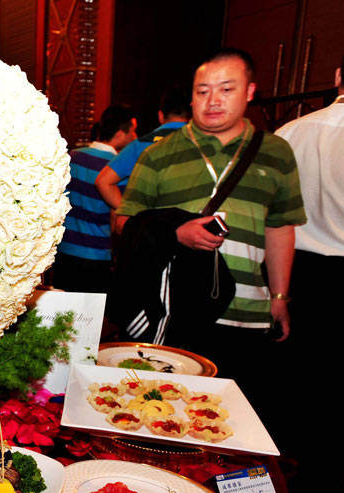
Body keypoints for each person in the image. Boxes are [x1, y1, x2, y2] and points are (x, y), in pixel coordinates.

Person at [116, 49, 305, 420]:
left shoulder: (276, 152)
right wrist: (175, 232)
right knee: (164, 415)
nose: (213, 100)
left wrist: (280, 295)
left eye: (226, 89)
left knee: (232, 421)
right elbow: (126, 222)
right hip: (174, 311)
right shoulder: (158, 154)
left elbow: (281, 225)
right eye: (202, 91)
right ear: (191, 97)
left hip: (247, 310)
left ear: (250, 91)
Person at [274, 55, 344, 488]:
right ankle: (326, 469)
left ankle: (285, 457)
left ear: (337, 76)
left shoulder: (290, 132)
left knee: (295, 367)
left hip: (295, 266)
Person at [51, 104, 138, 293]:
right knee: (91, 311)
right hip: (97, 256)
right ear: (120, 134)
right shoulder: (118, 170)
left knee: (61, 309)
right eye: (133, 131)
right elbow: (116, 217)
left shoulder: (72, 156)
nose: (135, 137)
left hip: (63, 251)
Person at [95, 86, 191, 230]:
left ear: (160, 115)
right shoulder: (201, 144)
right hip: (190, 226)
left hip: (152, 230)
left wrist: (134, 215)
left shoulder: (140, 144)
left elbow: (103, 181)